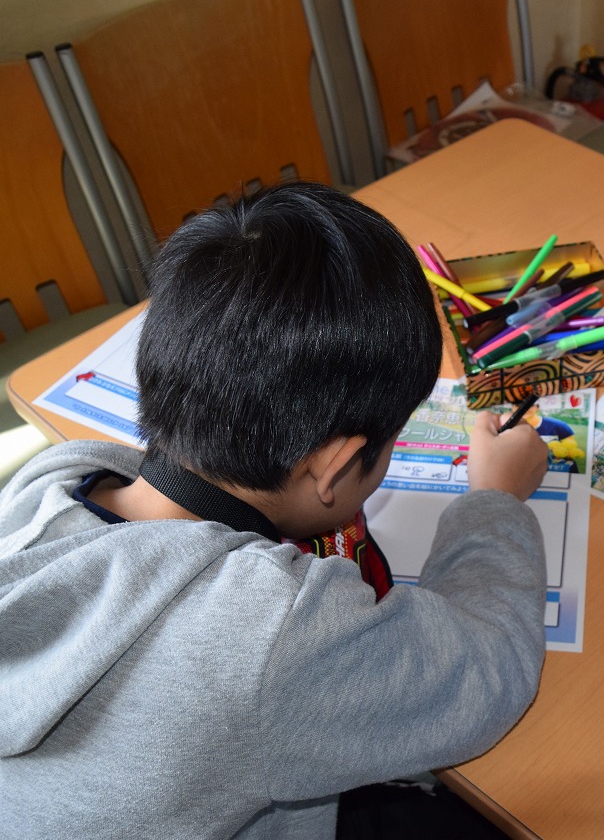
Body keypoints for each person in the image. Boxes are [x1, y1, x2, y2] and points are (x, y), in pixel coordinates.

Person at [0, 182, 550, 838]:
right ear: (334, 466)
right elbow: (489, 668)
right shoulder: (269, 634)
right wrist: (494, 500)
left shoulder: (52, 481)